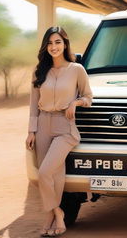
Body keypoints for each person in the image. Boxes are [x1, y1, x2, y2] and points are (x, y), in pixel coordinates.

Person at [25, 26, 92, 237]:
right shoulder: (39, 71)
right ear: (45, 47)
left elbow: (89, 97)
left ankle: (57, 212)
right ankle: (52, 215)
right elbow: (34, 104)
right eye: (50, 43)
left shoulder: (76, 69)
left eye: (58, 42)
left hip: (65, 126)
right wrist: (31, 131)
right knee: (53, 174)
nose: (54, 47)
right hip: (43, 123)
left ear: (65, 44)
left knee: (45, 172)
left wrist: (76, 102)